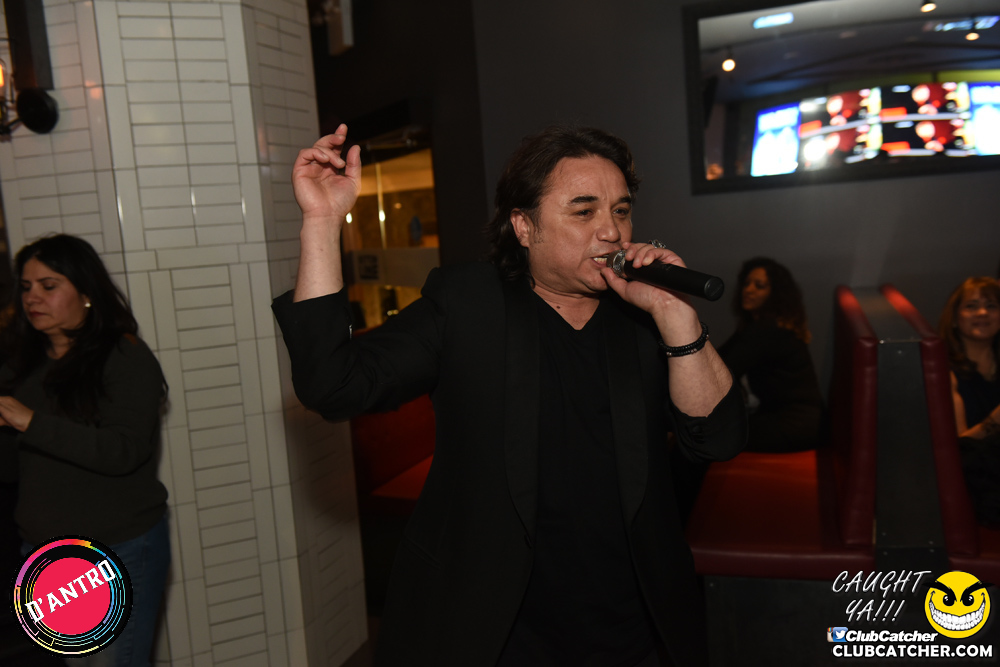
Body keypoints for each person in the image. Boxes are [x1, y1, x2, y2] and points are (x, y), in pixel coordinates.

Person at [271, 124, 746, 666]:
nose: (611, 231)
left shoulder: (643, 316)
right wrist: (322, 221)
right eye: (584, 211)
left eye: (620, 210)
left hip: (631, 621)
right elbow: (334, 385)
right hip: (495, 624)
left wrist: (675, 315)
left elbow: (718, 440)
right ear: (524, 226)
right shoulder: (468, 304)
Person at [0, 234, 169, 667]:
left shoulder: (124, 357)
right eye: (26, 287)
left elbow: (123, 451)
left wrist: (31, 421)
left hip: (113, 550)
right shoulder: (22, 364)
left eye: (48, 285)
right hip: (44, 553)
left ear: (87, 293)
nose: (32, 297)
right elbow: (14, 468)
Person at [717, 257, 824, 452]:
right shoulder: (759, 326)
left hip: (795, 425)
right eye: (746, 284)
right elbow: (719, 360)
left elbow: (723, 369)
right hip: (793, 421)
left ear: (775, 293)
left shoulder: (768, 330)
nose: (748, 290)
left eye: (759, 286)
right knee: (706, 432)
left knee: (706, 435)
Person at [940, 277, 1000, 525]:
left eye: (992, 306)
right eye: (971, 306)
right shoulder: (945, 371)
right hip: (981, 476)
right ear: (955, 319)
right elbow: (960, 447)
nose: (982, 313)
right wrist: (996, 419)